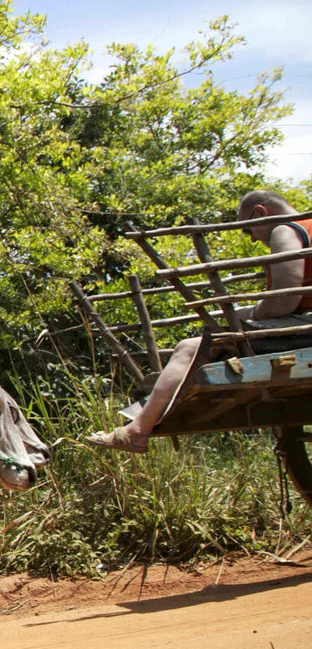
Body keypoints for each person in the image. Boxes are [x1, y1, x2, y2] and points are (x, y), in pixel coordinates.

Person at [87, 189, 312, 452]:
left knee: (189, 347)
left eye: (247, 230)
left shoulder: (285, 230)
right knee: (217, 336)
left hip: (303, 331)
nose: (252, 239)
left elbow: (285, 300)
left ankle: (137, 431)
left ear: (260, 213)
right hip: (302, 325)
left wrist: (252, 316)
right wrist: (249, 313)